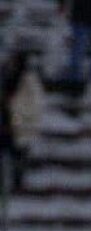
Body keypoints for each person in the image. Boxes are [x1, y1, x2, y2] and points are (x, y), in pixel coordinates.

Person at [1, 52, 44, 193]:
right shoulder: (6, 76)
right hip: (5, 122)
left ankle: (17, 182)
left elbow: (33, 104)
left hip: (20, 123)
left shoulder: (29, 80)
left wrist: (12, 103)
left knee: (18, 154)